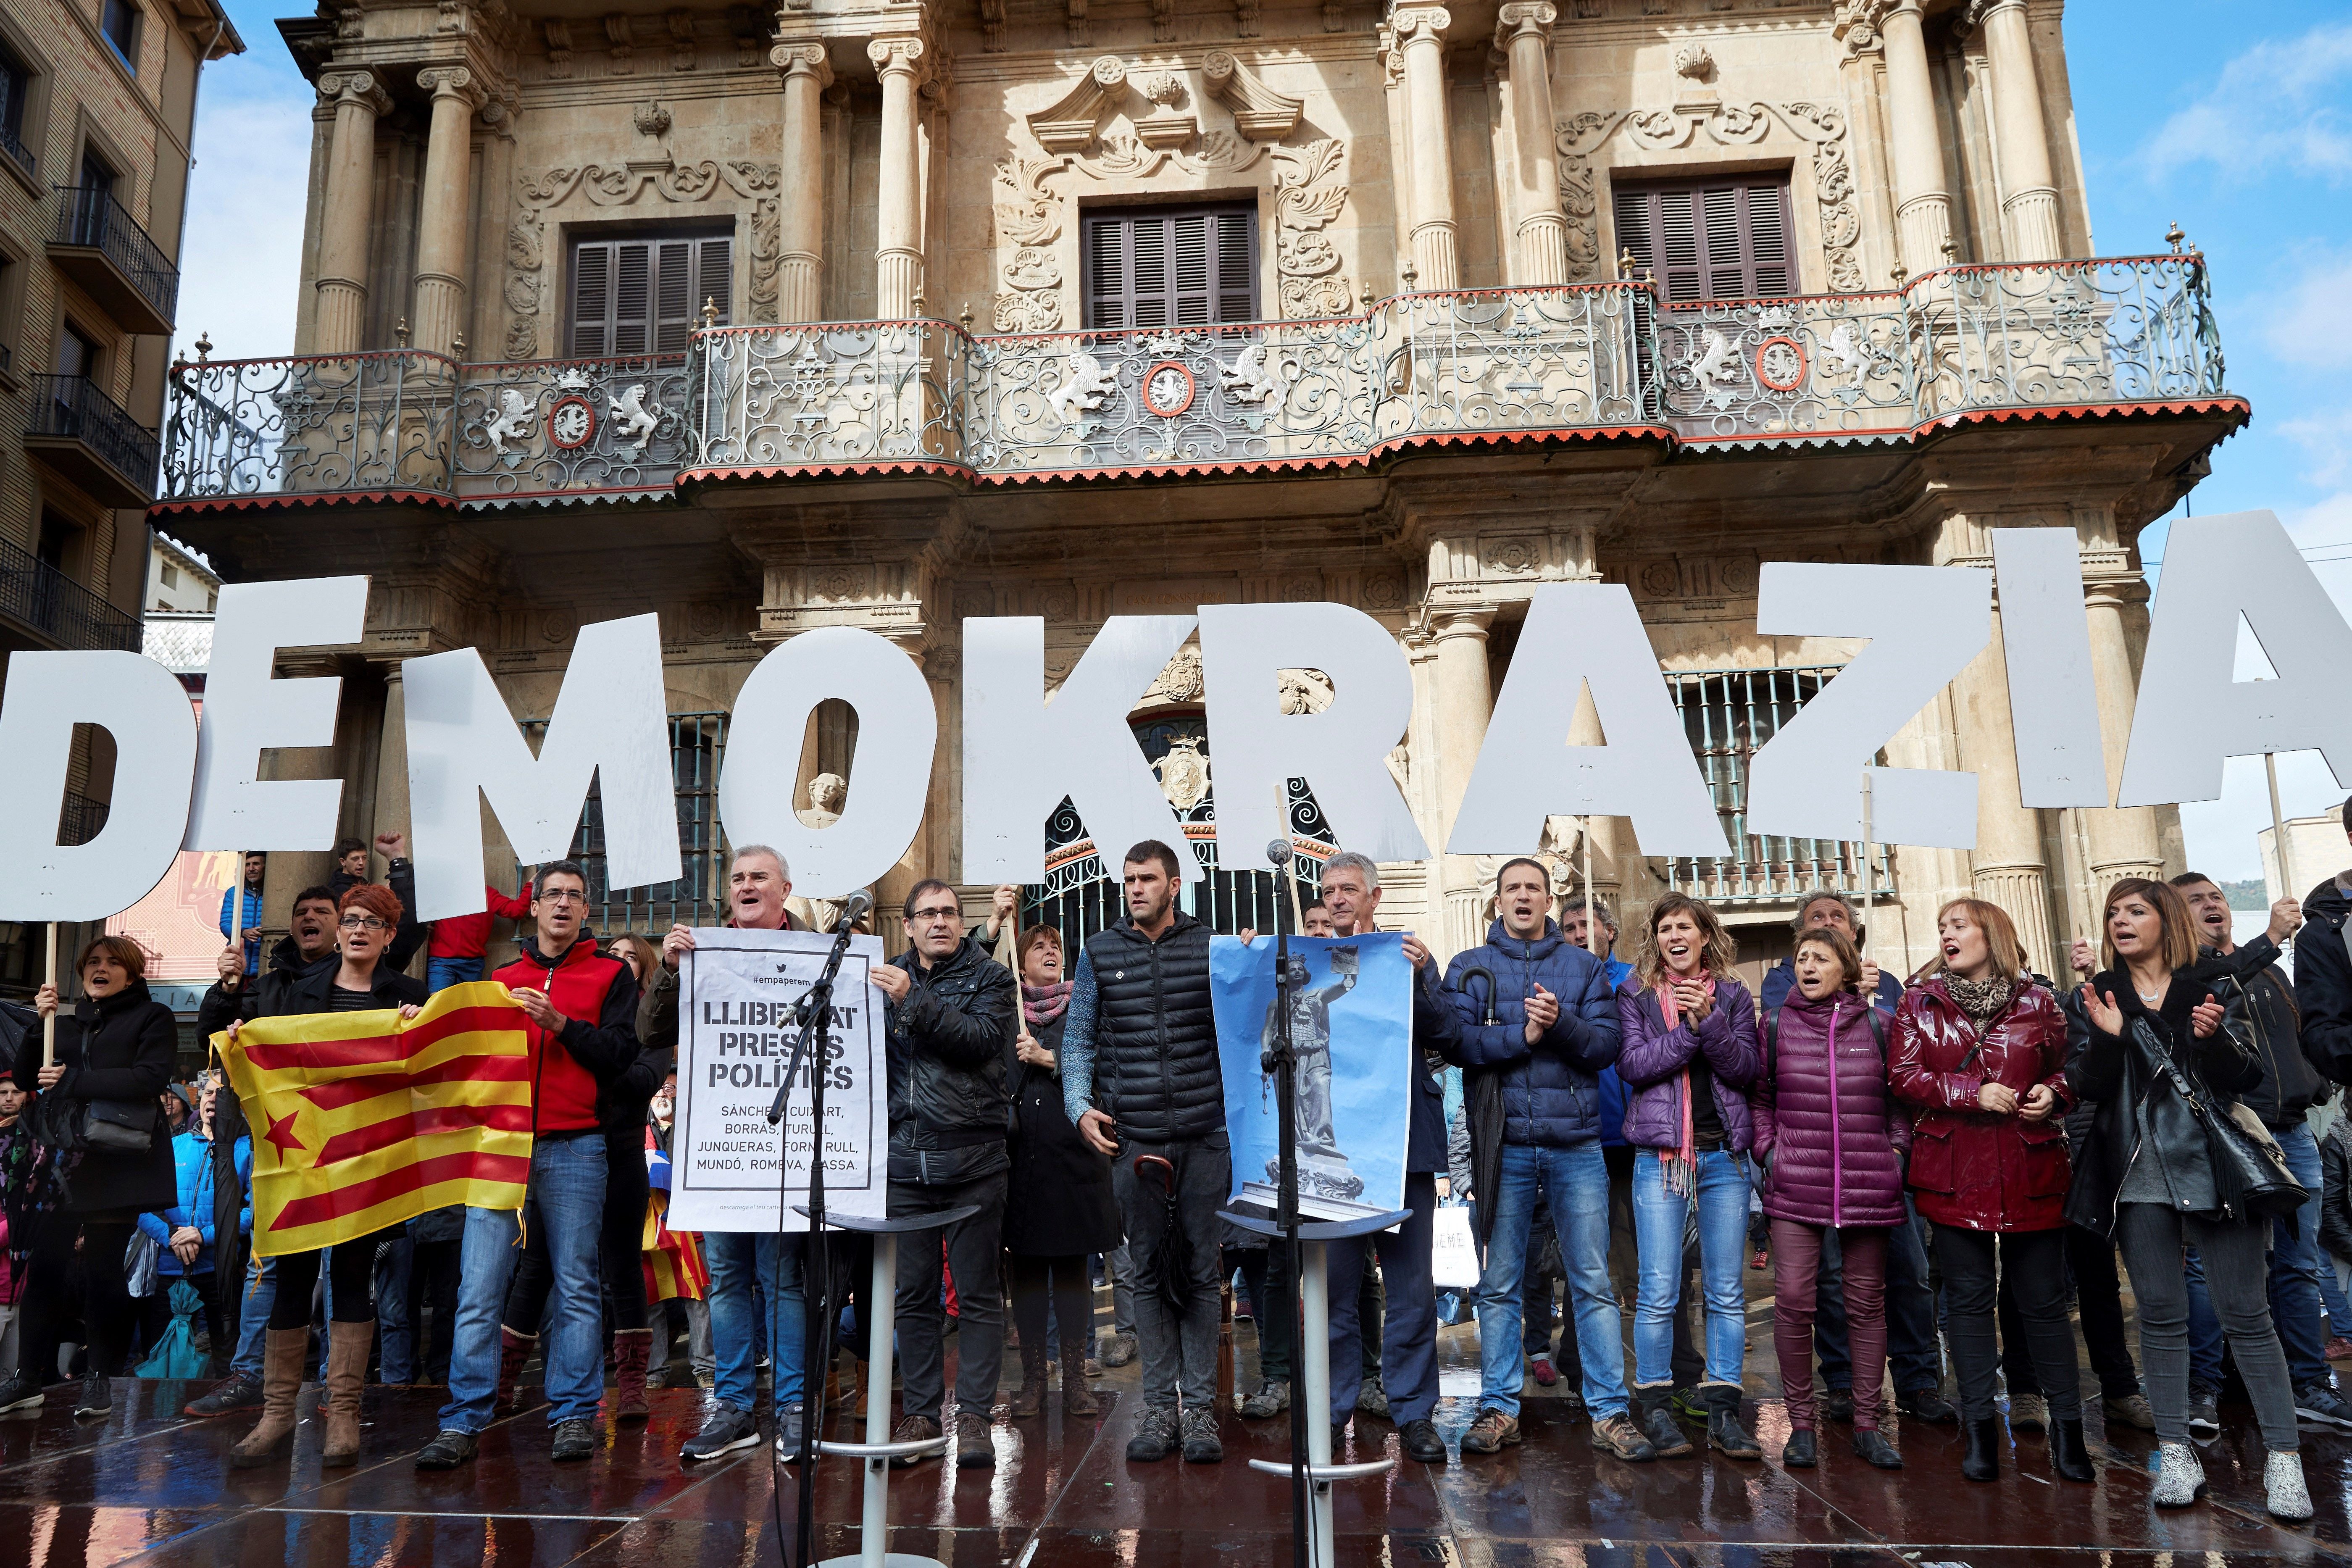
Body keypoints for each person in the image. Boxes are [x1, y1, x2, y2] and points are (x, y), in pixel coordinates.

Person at [2063, 878, 2310, 1521]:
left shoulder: (2204, 988)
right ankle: (2175, 1450)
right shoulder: (2099, 994)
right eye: (2114, 912)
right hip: (2137, 1174)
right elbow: (2086, 1085)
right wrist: (2111, 1036)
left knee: (2245, 1315)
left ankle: (2284, 1460)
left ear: (2163, 920)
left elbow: (2243, 1079)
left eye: (2135, 911)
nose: (2121, 921)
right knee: (2160, 1315)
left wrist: (2210, 1040)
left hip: (2212, 1172)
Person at [416, 860, 643, 1468]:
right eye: (553, 896)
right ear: (535, 908)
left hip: (577, 1146)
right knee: (480, 1288)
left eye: (575, 896)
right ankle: (464, 1419)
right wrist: (422, 1029)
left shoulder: (610, 974)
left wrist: (562, 1026)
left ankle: (573, 1414)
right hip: (500, 1145)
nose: (563, 905)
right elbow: (464, 1057)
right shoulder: (502, 977)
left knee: (576, 1286)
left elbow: (622, 1053)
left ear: (586, 911)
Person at [1446, 857, 1648, 1461]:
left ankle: (1610, 1412)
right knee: (1500, 1282)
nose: (1523, 897)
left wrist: (1559, 1025)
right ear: (1499, 902)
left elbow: (1606, 1048)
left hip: (1575, 1146)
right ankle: (1497, 1408)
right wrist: (1523, 1038)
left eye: (1533, 888)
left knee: (1591, 1281)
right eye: (1513, 889)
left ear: (1548, 898)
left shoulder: (1583, 967)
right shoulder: (1469, 968)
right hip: (1503, 1144)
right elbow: (1459, 1044)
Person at [220, 885, 429, 1465]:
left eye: (373, 923)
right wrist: (241, 1032)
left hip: (369, 1163)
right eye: (352, 920)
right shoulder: (292, 993)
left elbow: (428, 1078)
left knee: (354, 1278)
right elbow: (253, 1046)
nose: (359, 930)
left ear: (390, 937)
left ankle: (342, 1414)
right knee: (293, 1280)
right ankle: (277, 1414)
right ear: (339, 932)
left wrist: (422, 1031)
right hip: (305, 1162)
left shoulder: (410, 996)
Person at [1888, 899, 2089, 1484]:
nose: (1946, 933)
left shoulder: (2039, 1002)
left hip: (2029, 1170)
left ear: (1991, 934)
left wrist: (2054, 1094)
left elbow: (2070, 1067)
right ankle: (1979, 1433)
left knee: (2044, 1307)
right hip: (1953, 1172)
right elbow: (1901, 1078)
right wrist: (1966, 1092)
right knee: (1968, 1307)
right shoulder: (1917, 1002)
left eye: (1958, 925)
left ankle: (2068, 1435)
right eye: (1941, 926)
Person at [642, 845, 816, 1461]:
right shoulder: (701, 951)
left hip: (786, 1142)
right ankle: (735, 1407)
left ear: (784, 889)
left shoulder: (820, 954)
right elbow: (650, 1032)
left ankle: (794, 1406)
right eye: (737, 877)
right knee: (727, 1280)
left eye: (758, 877)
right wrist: (667, 968)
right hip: (718, 1141)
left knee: (781, 1281)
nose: (745, 885)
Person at [1061, 840, 1229, 1465]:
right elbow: (1076, 1040)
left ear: (1174, 884)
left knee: (1200, 1273)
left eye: (1147, 879)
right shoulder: (1101, 951)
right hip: (1135, 1139)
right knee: (1150, 1274)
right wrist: (1079, 1106)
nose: (1135, 888)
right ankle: (1160, 1409)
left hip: (1205, 1135)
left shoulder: (1210, 946)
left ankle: (1202, 1411)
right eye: (1128, 879)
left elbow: (1243, 1027)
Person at [1756, 891, 1949, 1427]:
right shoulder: (1780, 996)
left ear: (1854, 940)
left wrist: (1895, 1154)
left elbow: (1900, 1088)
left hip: (1872, 1172)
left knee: (1906, 1275)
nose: (1821, 936)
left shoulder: (1885, 1000)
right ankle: (1838, 1386)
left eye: (1835, 922)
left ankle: (1916, 1382)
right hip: (1807, 1173)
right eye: (1811, 931)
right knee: (1819, 1287)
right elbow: (1765, 1087)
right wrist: (1772, 1153)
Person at [2171, 872, 2352, 1430]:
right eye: (2196, 900)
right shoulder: (2189, 977)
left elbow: (2303, 1034)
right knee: (2212, 1266)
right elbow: (2216, 987)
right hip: (2232, 1133)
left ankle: (2304, 1382)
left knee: (2297, 1265)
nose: (2212, 905)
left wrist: (2313, 1086)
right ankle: (2204, 1385)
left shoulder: (2271, 971)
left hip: (2292, 1132)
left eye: (2217, 897)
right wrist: (2271, 937)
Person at [488, 929, 670, 1423]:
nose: (619, 961)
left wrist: (582, 1049)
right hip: (564, 1152)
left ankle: (631, 1387)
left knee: (623, 1267)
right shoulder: (578, 1021)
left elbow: (640, 1081)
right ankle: (502, 1384)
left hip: (621, 1155)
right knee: (537, 1267)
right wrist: (589, 1044)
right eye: (612, 954)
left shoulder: (650, 1029)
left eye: (631, 957)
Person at [1315, 850, 1460, 1465]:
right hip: (1334, 1156)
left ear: (1375, 897)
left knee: (1411, 1291)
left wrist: (1422, 975)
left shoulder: (1409, 957)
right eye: (1329, 890)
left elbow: (1447, 1034)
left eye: (1349, 888)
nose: (1338, 898)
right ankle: (1329, 1412)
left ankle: (1413, 1413)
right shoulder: (1306, 959)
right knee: (1334, 1292)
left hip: (1404, 1150)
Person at [872, 879, 1018, 1468]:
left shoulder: (991, 978)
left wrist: (915, 999)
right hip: (905, 1161)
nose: (940, 921)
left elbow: (979, 1042)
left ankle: (976, 1417)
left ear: (963, 922)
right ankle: (921, 1413)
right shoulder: (881, 979)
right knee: (913, 1295)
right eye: (927, 913)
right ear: (907, 925)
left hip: (974, 1158)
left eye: (950, 913)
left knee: (979, 1295)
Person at [1751, 925, 1905, 1473]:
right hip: (1796, 1182)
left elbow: (1898, 1106)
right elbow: (1760, 1099)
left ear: (1846, 967)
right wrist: (1771, 1153)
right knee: (1793, 1302)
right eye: (1801, 959)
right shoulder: (1772, 1025)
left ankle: (1866, 1425)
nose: (1808, 967)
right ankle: (1801, 1428)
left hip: (1868, 1183)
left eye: (1820, 959)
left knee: (1865, 1306)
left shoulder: (1881, 1025)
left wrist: (1896, 1158)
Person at [1615, 893, 1761, 1461]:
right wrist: (1690, 1032)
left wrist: (1711, 1019)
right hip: (1660, 1161)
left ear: (1705, 935)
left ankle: (1723, 1410)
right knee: (1657, 1292)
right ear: (1656, 939)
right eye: (1665, 928)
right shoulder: (1634, 995)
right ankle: (1654, 1406)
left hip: (1722, 1158)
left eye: (1685, 926)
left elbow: (1746, 1069)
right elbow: (1633, 1066)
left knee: (1726, 1292)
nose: (1675, 935)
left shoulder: (1732, 995)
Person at [16, 936, 179, 1418]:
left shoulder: (154, 1018)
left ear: (132, 972)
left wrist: (72, 1082)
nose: (100, 969)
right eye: (92, 962)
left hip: (117, 1163)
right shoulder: (63, 1024)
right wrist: (36, 1024)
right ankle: (27, 1378)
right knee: (44, 1269)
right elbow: (28, 1077)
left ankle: (100, 1379)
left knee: (104, 1272)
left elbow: (149, 1078)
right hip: (62, 1164)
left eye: (112, 963)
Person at [999, 918, 1118, 1423]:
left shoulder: (1083, 1008)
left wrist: (1050, 1058)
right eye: (1039, 947)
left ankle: (1076, 1382)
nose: (1051, 952)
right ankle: (1031, 1381)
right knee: (1025, 1278)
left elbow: (1105, 1066)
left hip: (1074, 1163)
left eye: (1056, 946)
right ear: (1020, 959)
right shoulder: (1006, 1012)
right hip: (1019, 1166)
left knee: (1073, 1278)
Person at [137, 1078, 242, 1376]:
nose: (213, 1099)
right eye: (209, 1092)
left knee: (226, 1361)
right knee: (160, 1358)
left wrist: (203, 1235)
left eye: (223, 1094)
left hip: (220, 1273)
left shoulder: (248, 1150)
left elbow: (255, 1212)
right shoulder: (173, 1147)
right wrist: (172, 1237)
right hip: (171, 1269)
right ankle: (160, 1419)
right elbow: (143, 1205)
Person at [0, 1076, 46, 1410]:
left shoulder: (37, 1141)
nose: (8, 1099)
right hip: (2, 1280)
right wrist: (13, 1231)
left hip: (25, 1283)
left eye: (16, 1092)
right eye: (2, 1093)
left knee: (14, 1380)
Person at [425, 877, 535, 993]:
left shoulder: (487, 894)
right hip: (442, 962)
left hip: (471, 965)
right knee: (438, 1006)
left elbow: (516, 910)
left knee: (469, 1008)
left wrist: (531, 884)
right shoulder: (440, 893)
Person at [221, 852, 266, 978]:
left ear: (265, 867)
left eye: (256, 864)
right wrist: (243, 932)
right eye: (247, 865)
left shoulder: (275, 892)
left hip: (266, 968)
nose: (251, 868)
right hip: (238, 967)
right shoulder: (234, 893)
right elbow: (225, 925)